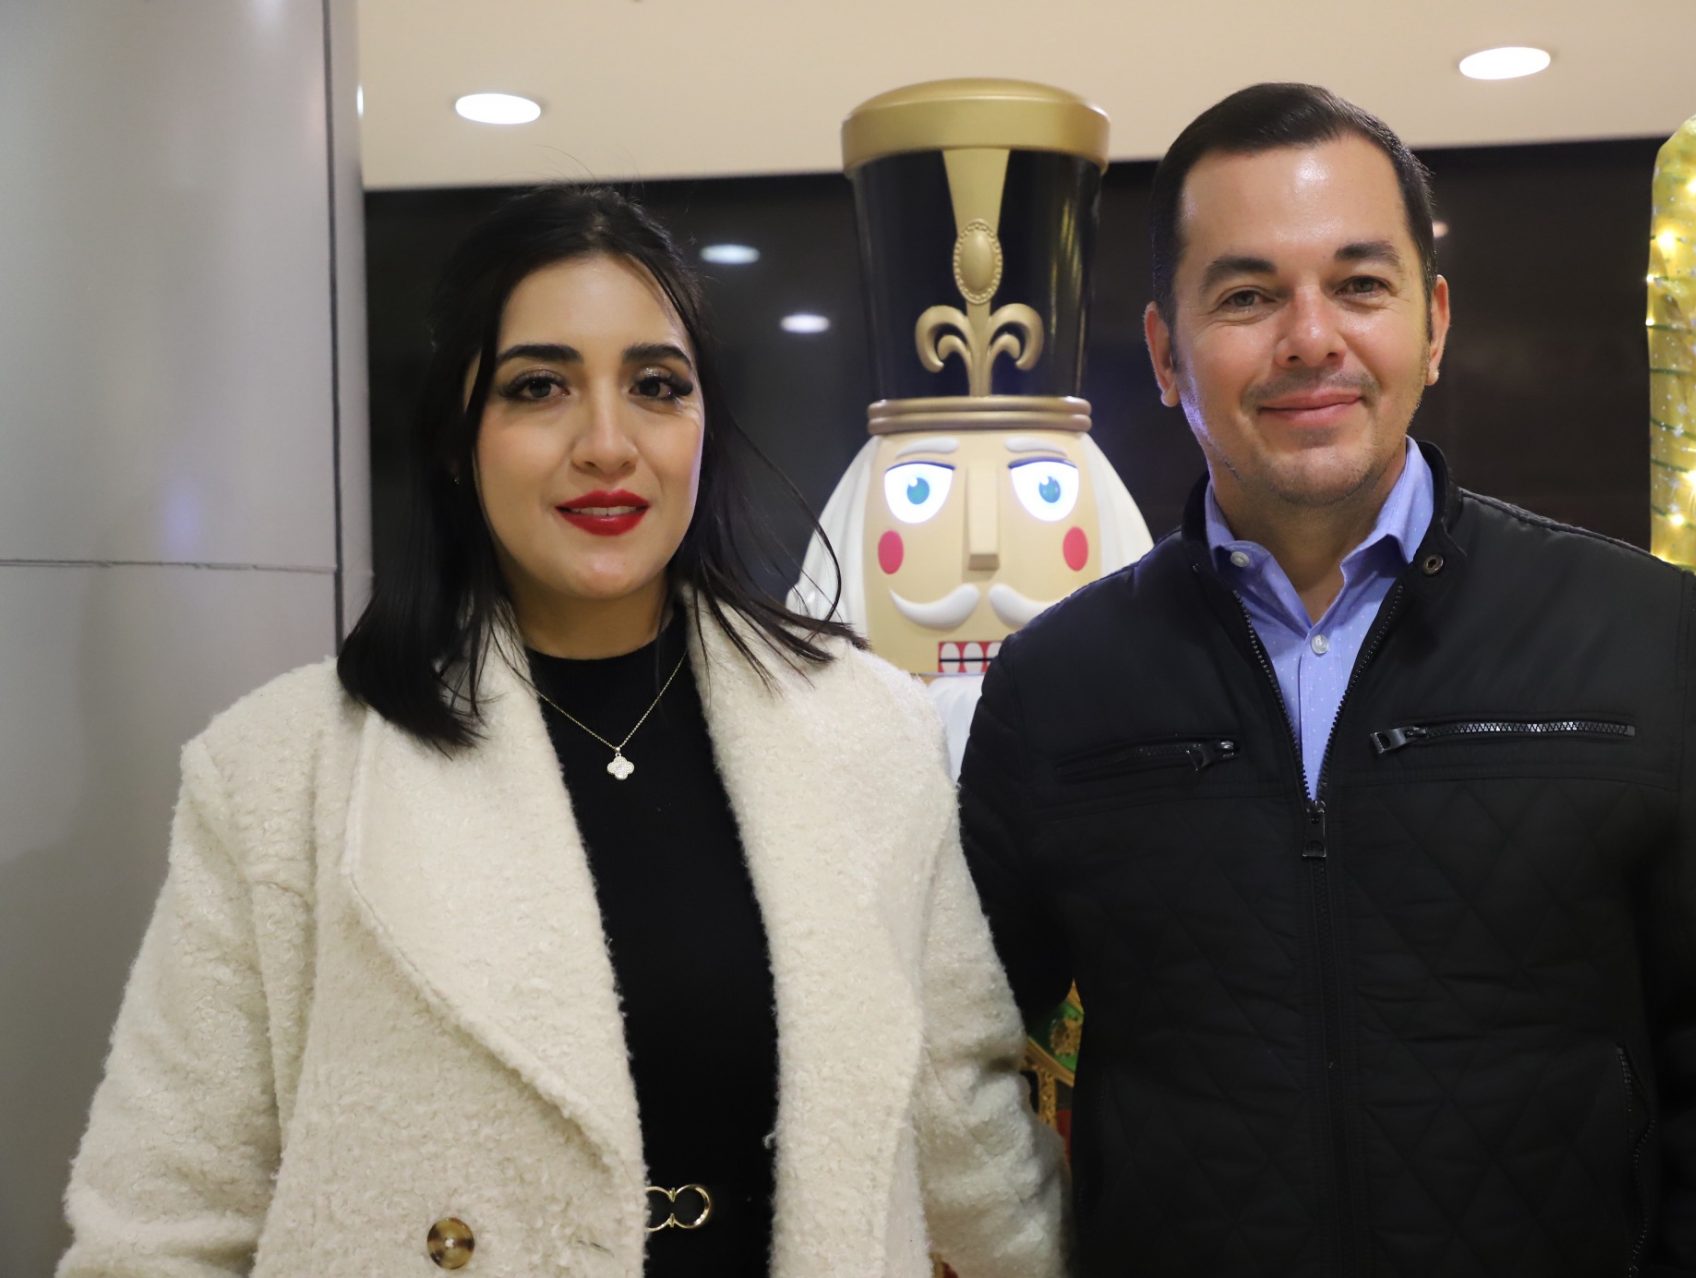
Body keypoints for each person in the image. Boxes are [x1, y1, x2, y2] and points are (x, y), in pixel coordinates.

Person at [58, 186, 1065, 1278]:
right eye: (539, 387)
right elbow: (161, 1222)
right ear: (458, 438)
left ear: (703, 427)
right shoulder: (279, 774)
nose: (607, 444)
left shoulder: (867, 731)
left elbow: (971, 1139)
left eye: (656, 386)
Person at [958, 83, 1696, 1277]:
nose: (1310, 338)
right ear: (1167, 353)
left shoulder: (1644, 633)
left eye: (1360, 285)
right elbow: (958, 1047)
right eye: (1248, 295)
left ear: (1432, 324)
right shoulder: (1056, 686)